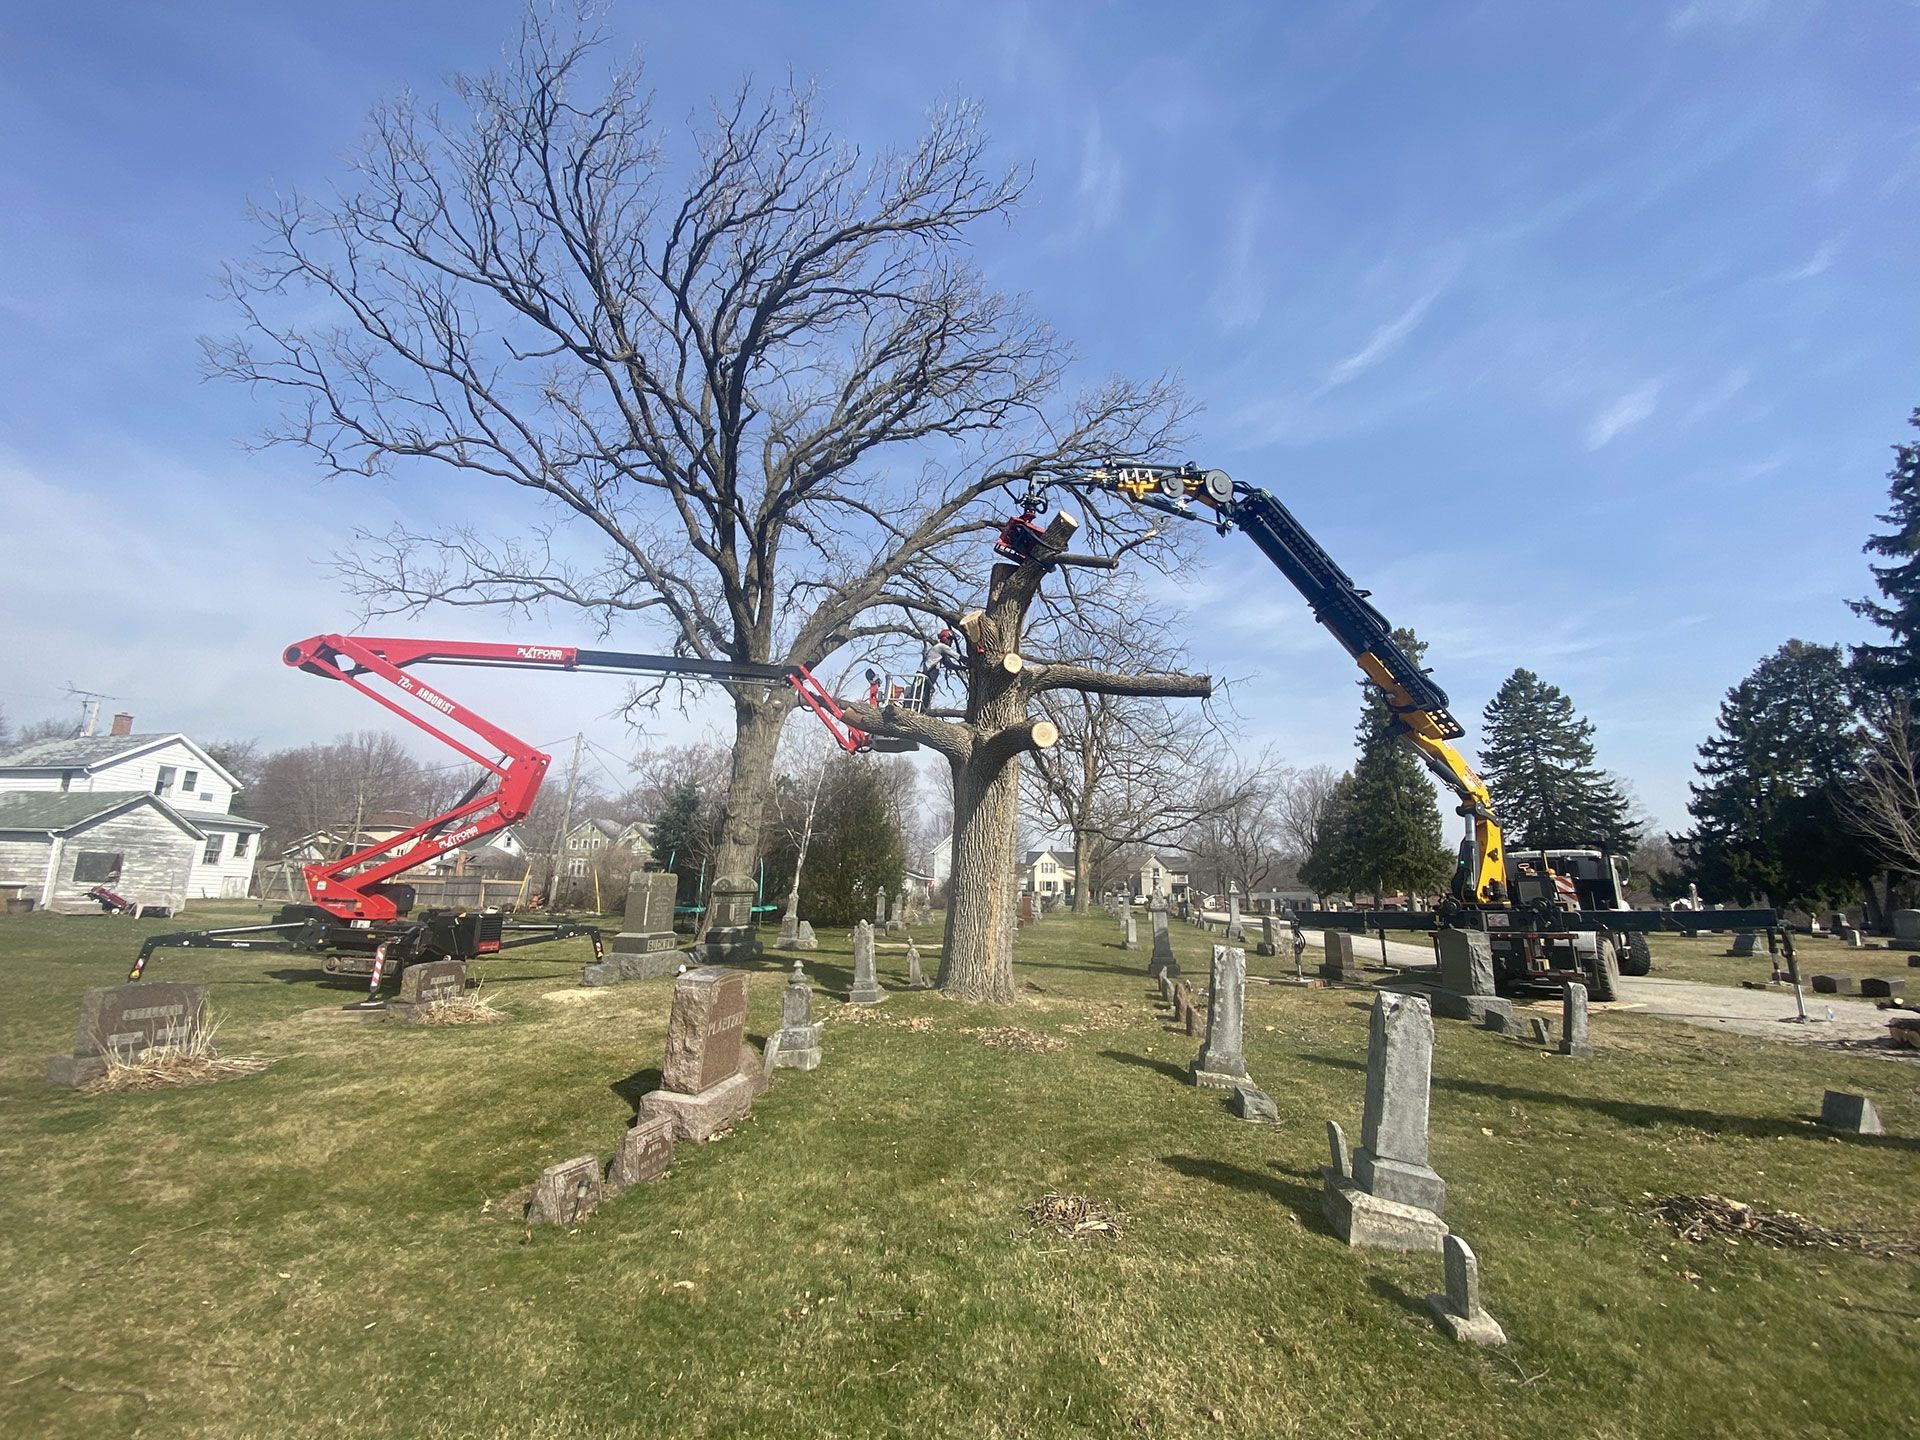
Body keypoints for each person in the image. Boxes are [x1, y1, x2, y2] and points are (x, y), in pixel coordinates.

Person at [918, 628, 967, 707]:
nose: (951, 642)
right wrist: (970, 661)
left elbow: (949, 664)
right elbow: (957, 656)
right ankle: (916, 708)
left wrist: (963, 668)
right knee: (919, 693)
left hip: (928, 673)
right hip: (925, 673)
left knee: (925, 693)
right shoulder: (941, 647)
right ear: (944, 638)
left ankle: (922, 709)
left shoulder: (940, 651)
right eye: (950, 639)